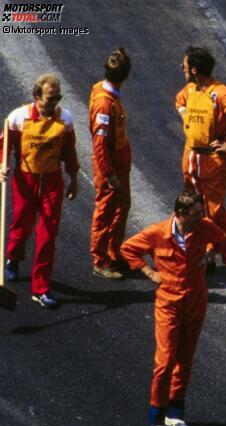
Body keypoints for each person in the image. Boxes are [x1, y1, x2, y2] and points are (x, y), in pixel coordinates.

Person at [121, 192, 226, 426]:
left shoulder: (204, 227)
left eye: (201, 213)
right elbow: (128, 249)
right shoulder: (158, 233)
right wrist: (149, 272)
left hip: (196, 300)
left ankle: (176, 412)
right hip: (168, 302)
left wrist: (210, 255)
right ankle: (156, 416)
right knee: (165, 362)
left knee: (185, 359)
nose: (201, 217)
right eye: (196, 214)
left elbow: (221, 239)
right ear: (181, 214)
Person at [174, 46, 226, 286]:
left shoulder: (221, 94)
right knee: (193, 212)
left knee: (216, 213)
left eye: (185, 65)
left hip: (213, 161)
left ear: (195, 69)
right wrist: (187, 120)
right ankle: (206, 257)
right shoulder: (190, 89)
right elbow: (178, 102)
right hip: (191, 159)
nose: (182, 68)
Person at [0, 74, 79, 309]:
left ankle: (41, 287)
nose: (55, 102)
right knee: (21, 226)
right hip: (25, 180)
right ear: (37, 97)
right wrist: (2, 166)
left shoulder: (65, 119)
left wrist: (73, 179)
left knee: (48, 234)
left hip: (52, 181)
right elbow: (3, 146)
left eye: (58, 97)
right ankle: (14, 257)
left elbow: (70, 152)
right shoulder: (17, 117)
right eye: (50, 98)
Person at [89, 47, 133, 280]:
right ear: (126, 75)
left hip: (118, 164)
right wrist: (110, 174)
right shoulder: (105, 104)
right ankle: (100, 259)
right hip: (110, 166)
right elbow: (100, 144)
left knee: (122, 206)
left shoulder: (101, 89)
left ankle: (113, 252)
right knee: (106, 211)